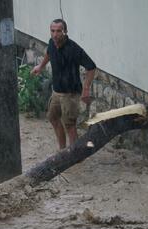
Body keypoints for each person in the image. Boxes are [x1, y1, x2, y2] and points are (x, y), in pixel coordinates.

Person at [31, 18, 96, 150]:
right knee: (53, 117)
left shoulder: (73, 49)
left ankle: (75, 155)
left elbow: (91, 67)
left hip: (70, 93)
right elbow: (49, 53)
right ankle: (62, 150)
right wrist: (41, 66)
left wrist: (86, 89)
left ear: (65, 31)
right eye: (52, 31)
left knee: (70, 124)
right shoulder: (51, 42)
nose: (55, 34)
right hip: (57, 91)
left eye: (58, 31)